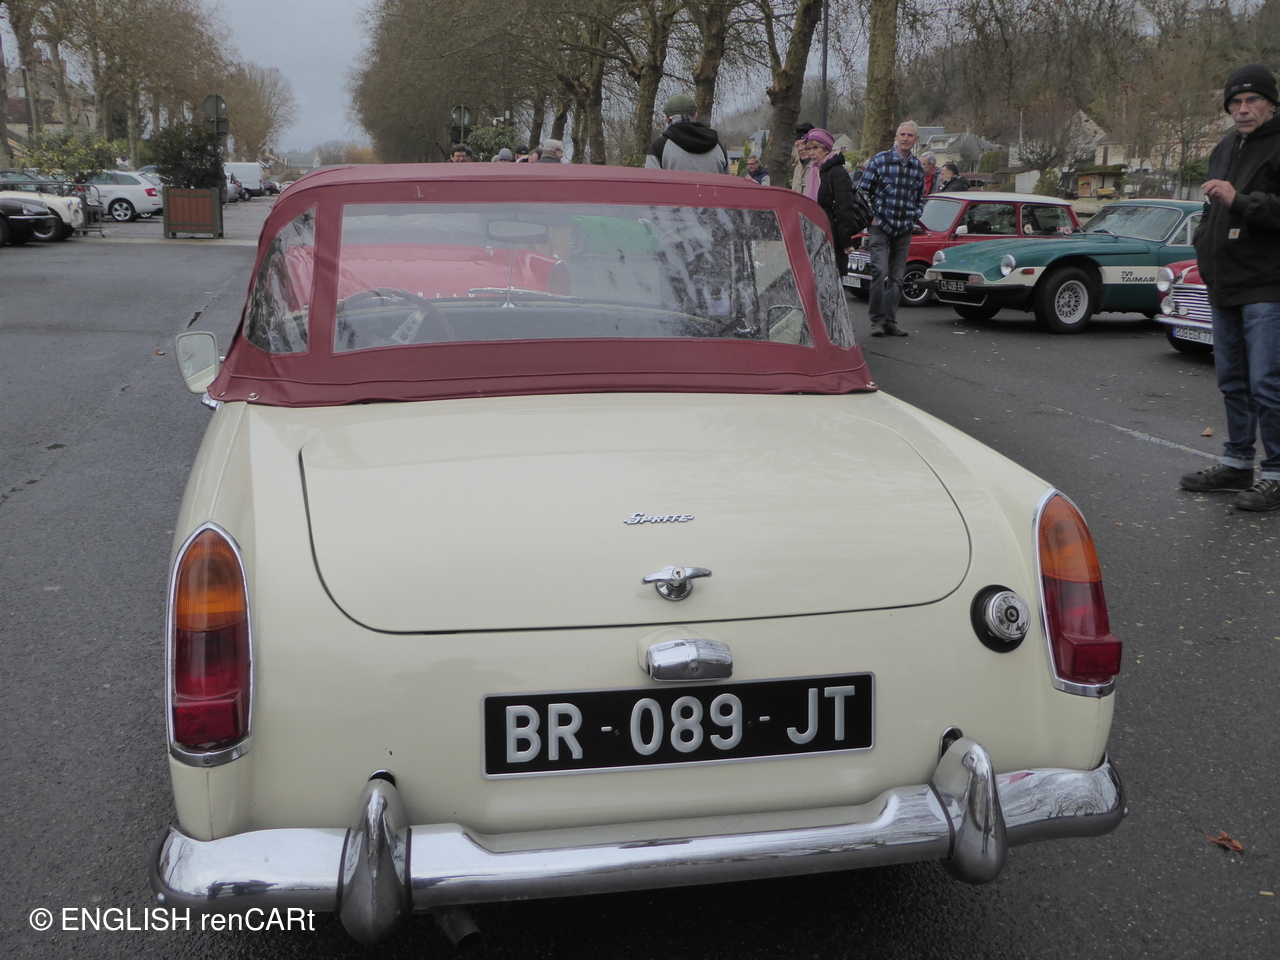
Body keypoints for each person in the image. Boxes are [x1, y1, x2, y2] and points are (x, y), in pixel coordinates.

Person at [1178, 64, 1280, 511]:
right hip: (1224, 282)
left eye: (1252, 100)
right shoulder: (1224, 147)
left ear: (1271, 103)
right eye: (1235, 102)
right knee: (1232, 381)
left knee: (1267, 384)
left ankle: (1276, 474)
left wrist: (1239, 200)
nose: (1242, 109)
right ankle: (1238, 463)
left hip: (1267, 285)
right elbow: (1210, 207)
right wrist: (1204, 242)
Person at [859, 120, 927, 337]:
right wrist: (872, 216)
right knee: (879, 271)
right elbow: (863, 192)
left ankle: (890, 321)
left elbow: (921, 196)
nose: (906, 138)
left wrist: (915, 215)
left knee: (897, 277)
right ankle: (876, 321)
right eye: (902, 134)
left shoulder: (917, 167)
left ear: (916, 140)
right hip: (880, 225)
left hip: (904, 227)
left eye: (910, 135)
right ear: (896, 137)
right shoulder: (880, 160)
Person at [801, 129, 859, 275]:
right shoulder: (814, 170)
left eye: (816, 148)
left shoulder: (836, 171)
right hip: (815, 232)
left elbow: (844, 208)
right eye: (809, 148)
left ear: (826, 148)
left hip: (832, 234)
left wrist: (845, 242)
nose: (812, 152)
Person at [645, 93, 728, 173]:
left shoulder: (658, 147)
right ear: (695, 115)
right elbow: (728, 180)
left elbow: (650, 181)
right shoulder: (718, 146)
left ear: (666, 118)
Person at [791, 122, 815, 192]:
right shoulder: (797, 169)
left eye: (803, 144)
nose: (800, 148)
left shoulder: (819, 168)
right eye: (797, 145)